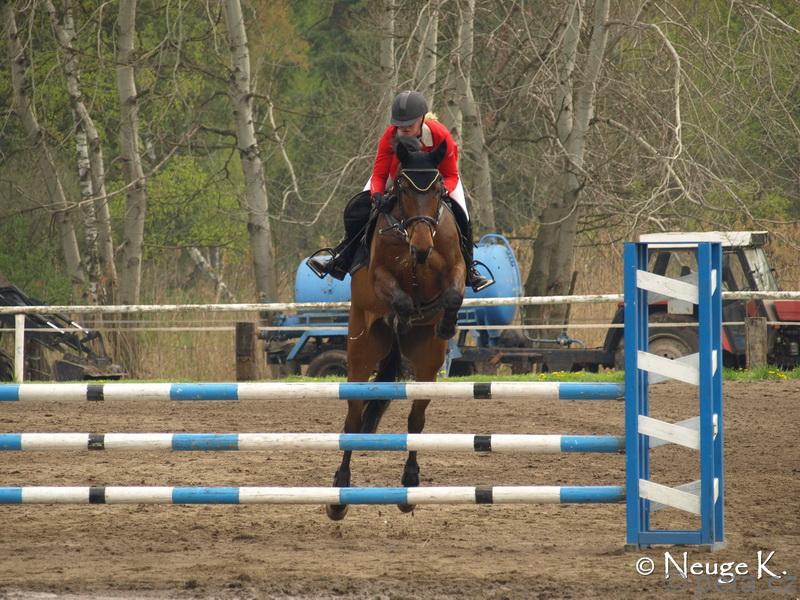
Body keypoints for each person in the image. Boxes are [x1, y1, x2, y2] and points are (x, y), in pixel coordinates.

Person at [307, 90, 493, 292]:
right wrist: (377, 196)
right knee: (358, 207)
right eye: (399, 124)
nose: (403, 128)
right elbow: (379, 175)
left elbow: (451, 175)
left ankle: (470, 269)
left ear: (422, 119)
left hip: (435, 181)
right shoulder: (390, 136)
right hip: (397, 176)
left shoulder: (440, 135)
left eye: (409, 124)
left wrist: (441, 192)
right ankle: (342, 256)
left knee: (462, 215)